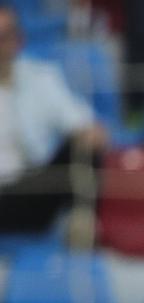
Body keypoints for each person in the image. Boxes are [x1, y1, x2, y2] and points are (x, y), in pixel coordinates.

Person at [0, 3, 107, 234]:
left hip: (30, 189)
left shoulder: (41, 78)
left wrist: (86, 136)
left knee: (85, 149)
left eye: (3, 37)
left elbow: (89, 127)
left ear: (18, 40)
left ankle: (83, 228)